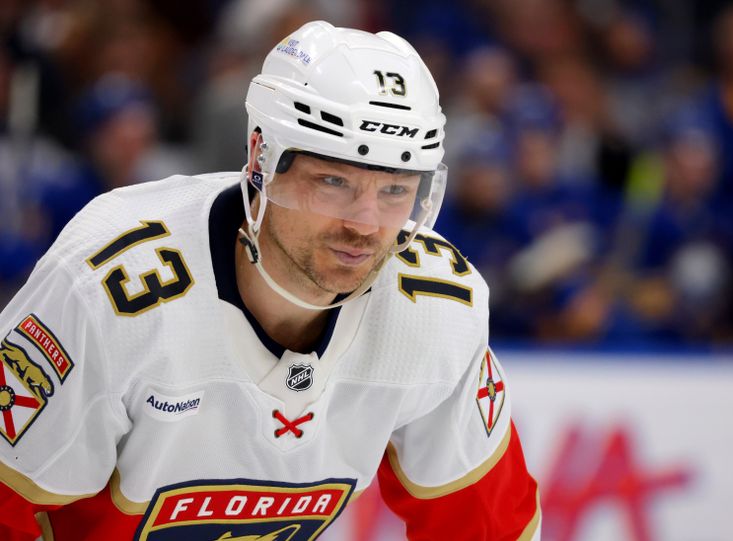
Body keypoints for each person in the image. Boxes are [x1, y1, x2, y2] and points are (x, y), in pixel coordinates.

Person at [0, 21, 540, 540]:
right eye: (333, 181)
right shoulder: (107, 288)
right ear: (261, 157)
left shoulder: (439, 308)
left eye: (396, 191)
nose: (365, 224)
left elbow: (488, 523)